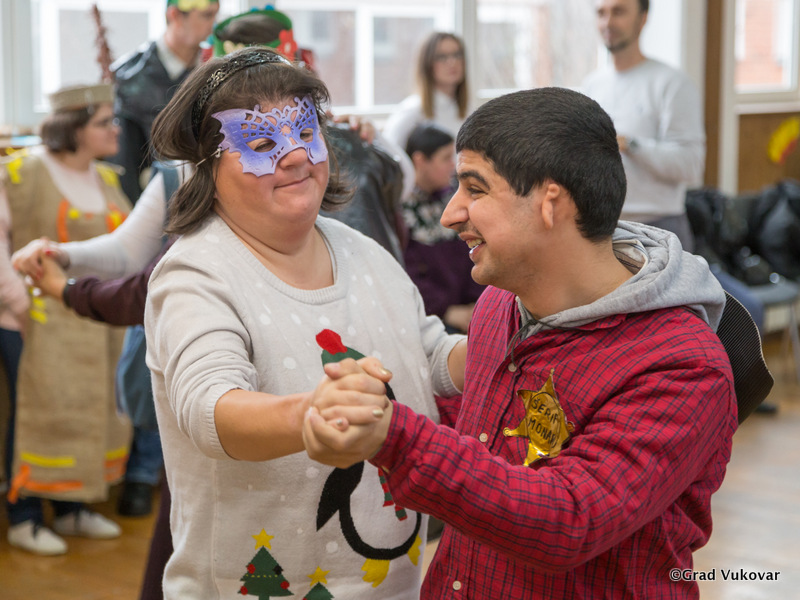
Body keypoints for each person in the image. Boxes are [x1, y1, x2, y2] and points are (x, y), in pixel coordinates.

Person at [303, 87, 738, 598]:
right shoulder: (501, 304)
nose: (450, 214)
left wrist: (394, 436)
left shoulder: (682, 365)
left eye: (475, 189)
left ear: (551, 203)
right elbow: (487, 434)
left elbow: (570, 518)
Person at [143, 46, 466, 599]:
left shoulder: (364, 252)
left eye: (305, 132)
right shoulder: (195, 274)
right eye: (261, 143)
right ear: (208, 168)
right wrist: (309, 415)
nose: (295, 156)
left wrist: (505, 343)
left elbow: (429, 354)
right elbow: (209, 407)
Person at [0, 83, 131, 556]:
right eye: (104, 122)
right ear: (72, 128)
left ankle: (73, 507)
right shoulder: (22, 172)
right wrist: (19, 304)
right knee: (39, 413)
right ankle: (24, 515)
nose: (116, 129)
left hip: (90, 320)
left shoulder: (107, 178)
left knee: (86, 410)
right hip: (32, 320)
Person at [581, 0, 704, 251]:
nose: (607, 22)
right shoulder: (592, 85)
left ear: (643, 18)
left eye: (619, 12)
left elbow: (691, 166)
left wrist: (629, 144)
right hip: (603, 228)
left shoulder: (672, 83)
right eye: (601, 13)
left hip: (660, 229)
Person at [110, 0, 219, 203]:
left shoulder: (216, 72)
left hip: (210, 198)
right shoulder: (130, 79)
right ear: (175, 15)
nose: (215, 24)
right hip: (154, 202)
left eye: (215, 15)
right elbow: (124, 164)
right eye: (207, 15)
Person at [402, 123, 483, 332]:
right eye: (445, 158)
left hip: (471, 309)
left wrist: (477, 303)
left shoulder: (455, 197)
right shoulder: (401, 212)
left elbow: (475, 251)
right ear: (420, 161)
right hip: (429, 318)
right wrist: (446, 310)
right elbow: (405, 275)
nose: (453, 166)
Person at [383, 32, 470, 156]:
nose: (452, 62)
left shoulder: (468, 110)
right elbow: (388, 157)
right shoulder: (412, 110)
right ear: (427, 64)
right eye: (442, 57)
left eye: (457, 55)